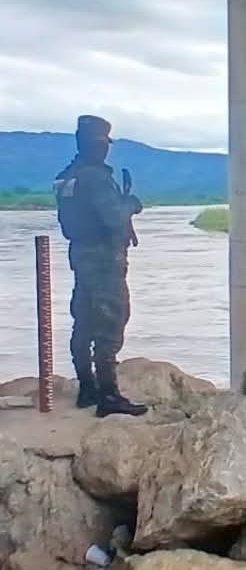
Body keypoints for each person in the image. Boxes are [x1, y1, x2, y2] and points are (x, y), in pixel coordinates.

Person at [54, 115, 147, 417]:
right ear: (97, 143)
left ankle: (87, 388)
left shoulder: (69, 175)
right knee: (110, 322)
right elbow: (112, 217)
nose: (107, 148)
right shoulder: (94, 177)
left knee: (84, 320)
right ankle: (108, 396)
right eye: (105, 142)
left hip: (81, 258)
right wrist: (131, 203)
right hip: (104, 262)